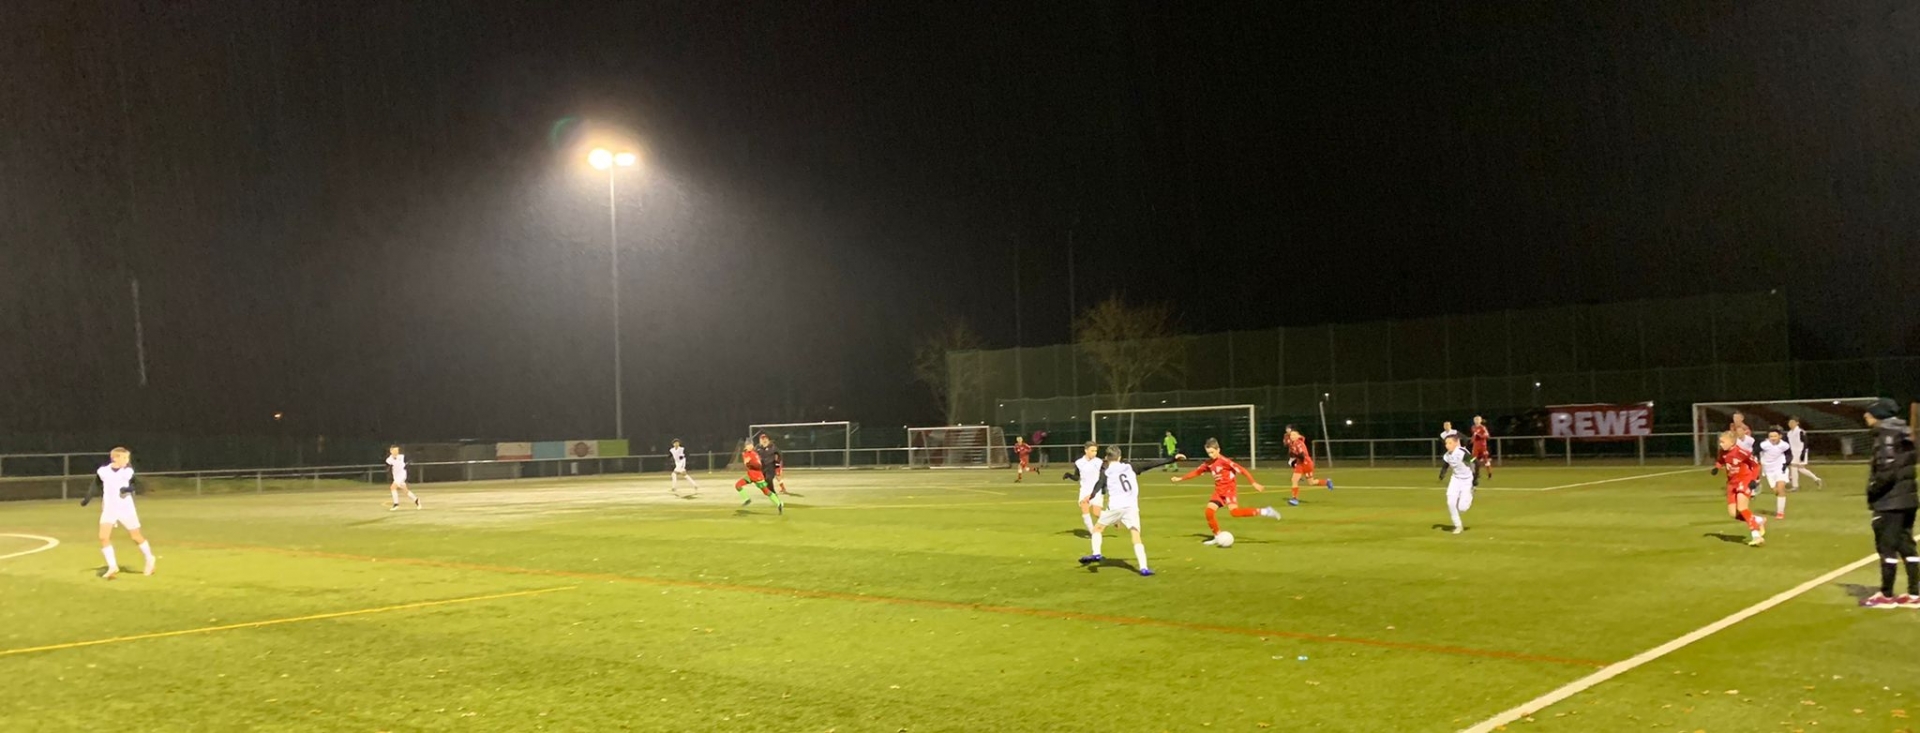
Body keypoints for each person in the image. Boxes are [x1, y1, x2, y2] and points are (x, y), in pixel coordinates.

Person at [1078, 446, 1182, 576]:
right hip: (1131, 507)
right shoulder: (1130, 467)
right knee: (1135, 535)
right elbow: (1151, 464)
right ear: (1120, 457)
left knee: (1097, 529)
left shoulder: (1107, 470)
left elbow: (1099, 483)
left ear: (1107, 458)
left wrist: (1091, 496)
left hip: (1115, 506)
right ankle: (1143, 568)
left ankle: (1096, 553)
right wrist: (1173, 459)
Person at [1859, 399, 1917, 608]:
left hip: (1890, 500)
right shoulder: (1904, 433)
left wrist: (1872, 489)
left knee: (1887, 547)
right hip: (1908, 498)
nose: (1866, 416)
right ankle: (1915, 593)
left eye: (1869, 413)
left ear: (1879, 415)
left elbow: (1887, 469)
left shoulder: (1886, 435)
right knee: (1906, 545)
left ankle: (1886, 594)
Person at [1174, 438, 1279, 545]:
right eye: (1208, 453)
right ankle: (1217, 536)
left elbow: (1242, 470)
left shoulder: (1225, 461)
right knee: (1209, 512)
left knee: (1235, 512)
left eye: (1212, 452)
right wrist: (1180, 478)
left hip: (1229, 491)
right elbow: (1196, 472)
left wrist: (1253, 483)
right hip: (1218, 492)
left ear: (1218, 450)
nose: (1210, 455)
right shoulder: (1208, 463)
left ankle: (1266, 511)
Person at [82, 447, 156, 578]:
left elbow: (138, 486)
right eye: (124, 458)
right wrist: (87, 498)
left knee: (135, 537)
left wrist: (127, 489)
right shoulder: (103, 471)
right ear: (114, 458)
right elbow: (96, 485)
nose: (127, 461)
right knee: (103, 537)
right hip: (109, 508)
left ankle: (150, 558)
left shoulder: (127, 472)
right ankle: (112, 566)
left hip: (125, 508)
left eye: (128, 458)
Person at [1712, 431, 1767, 547]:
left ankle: (1756, 536)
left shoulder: (1741, 452)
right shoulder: (1722, 452)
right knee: (1733, 514)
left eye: (1723, 442)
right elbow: (1720, 460)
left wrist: (1754, 479)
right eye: (1720, 442)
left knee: (1742, 508)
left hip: (1744, 480)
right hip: (1731, 483)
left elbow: (1755, 465)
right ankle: (1758, 520)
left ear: (1732, 442)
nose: (1721, 444)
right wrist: (1717, 467)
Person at [733, 435, 785, 514]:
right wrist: (747, 462)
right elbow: (746, 461)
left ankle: (779, 503)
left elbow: (759, 465)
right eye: (747, 445)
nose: (748, 446)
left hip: (757, 476)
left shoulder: (754, 454)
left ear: (751, 446)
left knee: (766, 491)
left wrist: (750, 462)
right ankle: (747, 499)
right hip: (750, 475)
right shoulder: (745, 453)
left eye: (749, 445)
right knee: (738, 485)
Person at [1284, 426, 1334, 506]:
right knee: (1294, 480)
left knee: (1311, 482)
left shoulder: (1299, 443)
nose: (1292, 436)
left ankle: (1326, 482)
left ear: (1298, 436)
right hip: (1300, 464)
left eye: (1294, 435)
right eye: (1291, 435)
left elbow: (1302, 456)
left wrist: (1294, 454)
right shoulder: (1293, 443)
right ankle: (1294, 499)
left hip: (1307, 463)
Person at [1063, 441, 1105, 535]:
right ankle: (1093, 532)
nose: (1094, 453)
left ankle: (1113, 518)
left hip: (1096, 490)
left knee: (1096, 513)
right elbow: (1077, 477)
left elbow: (1104, 477)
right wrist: (1069, 475)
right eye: (1092, 450)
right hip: (1084, 490)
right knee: (1084, 508)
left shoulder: (1099, 462)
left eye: (1095, 451)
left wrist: (1104, 488)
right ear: (1086, 450)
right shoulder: (1079, 463)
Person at [1438, 435, 1475, 534]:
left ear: (1456, 443)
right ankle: (1458, 526)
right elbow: (1446, 465)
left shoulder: (1462, 452)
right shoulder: (1447, 455)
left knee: (1462, 508)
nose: (1447, 445)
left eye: (1450, 443)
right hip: (1455, 479)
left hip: (1467, 480)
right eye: (1446, 443)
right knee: (1450, 502)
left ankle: (1470, 493)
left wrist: (1475, 479)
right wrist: (1442, 473)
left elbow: (1475, 462)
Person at [1755, 428, 1793, 519]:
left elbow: (1789, 455)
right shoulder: (1764, 445)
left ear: (1780, 436)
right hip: (1768, 470)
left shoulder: (1784, 445)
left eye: (1775, 436)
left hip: (1780, 468)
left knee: (1780, 488)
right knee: (1776, 491)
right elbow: (1755, 452)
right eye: (1771, 436)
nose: (1773, 438)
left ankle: (1780, 513)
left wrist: (1786, 463)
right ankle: (1780, 493)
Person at [1784, 417, 1824, 490]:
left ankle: (1795, 486)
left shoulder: (1800, 432)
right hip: (1793, 452)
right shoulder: (1789, 433)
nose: (1791, 424)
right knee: (1800, 468)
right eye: (1790, 423)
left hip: (1800, 451)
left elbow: (1805, 442)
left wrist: (1803, 453)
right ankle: (1816, 479)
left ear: (1797, 423)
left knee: (1793, 467)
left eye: (1793, 422)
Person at [386, 445, 420, 511]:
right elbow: (388, 468)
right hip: (396, 476)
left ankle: (396, 504)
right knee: (405, 491)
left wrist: (407, 464)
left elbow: (410, 460)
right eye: (395, 450)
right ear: (391, 451)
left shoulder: (402, 457)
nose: (396, 452)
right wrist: (389, 469)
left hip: (402, 475)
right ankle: (416, 500)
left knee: (393, 487)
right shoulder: (388, 460)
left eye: (397, 450)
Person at [1470, 415, 1494, 480]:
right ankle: (1476, 474)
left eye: (1478, 419)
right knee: (1473, 460)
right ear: (1474, 421)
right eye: (1475, 420)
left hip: (1483, 446)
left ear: (1480, 420)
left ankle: (1490, 474)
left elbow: (1487, 436)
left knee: (1486, 460)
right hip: (1476, 446)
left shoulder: (1483, 427)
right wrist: (1472, 439)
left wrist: (1480, 435)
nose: (1477, 421)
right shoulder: (1473, 427)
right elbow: (1474, 435)